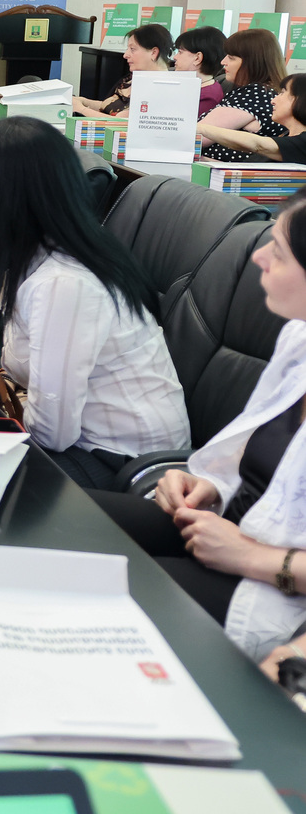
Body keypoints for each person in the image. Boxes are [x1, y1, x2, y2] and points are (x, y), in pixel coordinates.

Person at [86, 185, 306, 659]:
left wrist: (253, 556)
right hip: (227, 532)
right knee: (65, 519)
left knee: (92, 604)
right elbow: (253, 453)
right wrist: (206, 484)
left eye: (279, 252)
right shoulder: (299, 339)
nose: (259, 257)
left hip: (275, 589)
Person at [0, 117, 187, 489]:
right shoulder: (42, 253)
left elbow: (53, 433)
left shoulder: (63, 283)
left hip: (123, 462)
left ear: (1, 197)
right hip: (86, 443)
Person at [200, 28, 289, 162]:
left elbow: (198, 137)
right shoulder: (266, 91)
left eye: (231, 58)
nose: (223, 62)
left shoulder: (255, 93)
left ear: (252, 62)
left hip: (225, 172)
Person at [199, 73, 306, 162]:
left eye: (282, 93)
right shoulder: (285, 136)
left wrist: (202, 129)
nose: (273, 101)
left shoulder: (302, 142)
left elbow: (257, 144)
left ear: (300, 100)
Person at [73, 24, 172, 118]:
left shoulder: (161, 88)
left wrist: (81, 109)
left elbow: (121, 122)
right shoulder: (131, 80)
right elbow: (111, 107)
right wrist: (82, 101)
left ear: (154, 53)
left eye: (132, 49)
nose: (125, 55)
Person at [173, 26, 226, 117]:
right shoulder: (198, 88)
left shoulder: (207, 98)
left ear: (197, 58)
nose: (175, 57)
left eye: (180, 52)